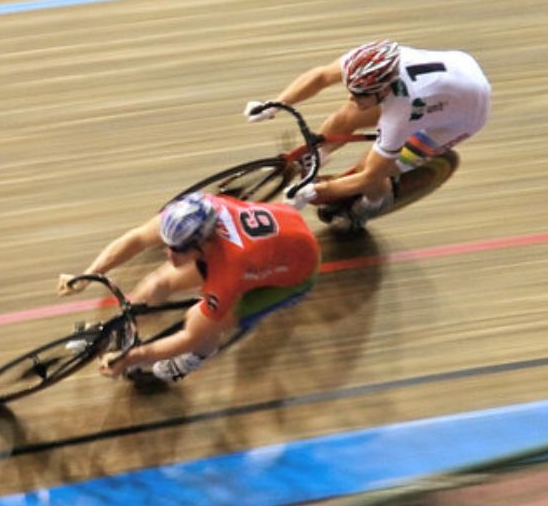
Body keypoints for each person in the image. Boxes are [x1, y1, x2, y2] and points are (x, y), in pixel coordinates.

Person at [57, 192, 319, 382]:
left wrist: (132, 359)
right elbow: (137, 238)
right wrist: (88, 275)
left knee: (203, 321)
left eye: (179, 251)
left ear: (203, 245)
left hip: (291, 274)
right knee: (156, 283)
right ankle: (121, 332)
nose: (169, 255)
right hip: (274, 235)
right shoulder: (192, 212)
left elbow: (190, 337)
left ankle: (195, 360)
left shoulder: (228, 269)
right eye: (168, 246)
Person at [245, 39, 491, 230]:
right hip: (454, 75)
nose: (353, 96)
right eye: (351, 89)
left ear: (384, 89)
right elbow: (320, 76)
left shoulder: (402, 112)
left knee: (378, 169)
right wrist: (276, 103)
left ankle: (369, 207)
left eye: (361, 93)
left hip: (461, 116)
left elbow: (370, 176)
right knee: (348, 114)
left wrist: (316, 191)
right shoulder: (368, 61)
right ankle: (317, 155)